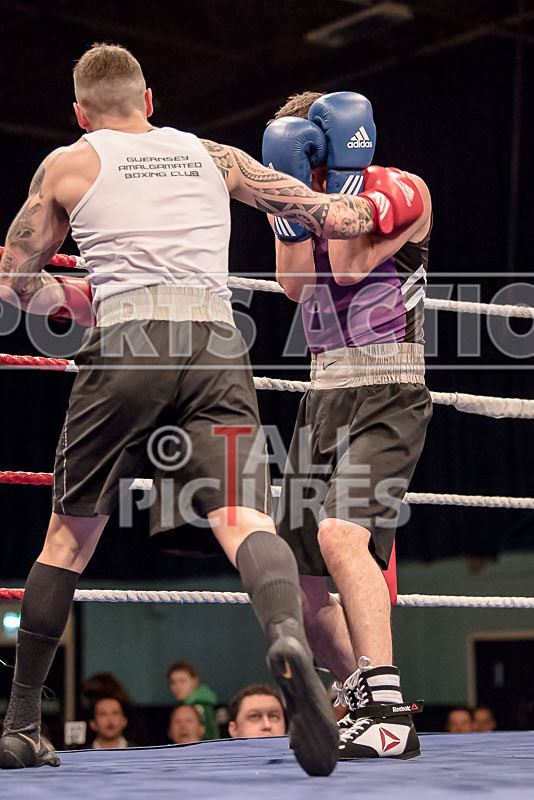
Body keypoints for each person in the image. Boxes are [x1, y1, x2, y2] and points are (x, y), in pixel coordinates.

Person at [0, 43, 421, 776]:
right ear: (151, 100)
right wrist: (358, 172)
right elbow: (333, 212)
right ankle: (286, 635)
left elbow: (15, 280)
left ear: (80, 113)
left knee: (66, 541)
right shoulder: (212, 156)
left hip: (128, 345)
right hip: (216, 350)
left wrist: (76, 303)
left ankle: (21, 723)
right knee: (244, 519)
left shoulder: (67, 164)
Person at [263, 91, 433, 760]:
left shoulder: (398, 188)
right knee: (299, 573)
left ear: (331, 146)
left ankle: (390, 715)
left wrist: (333, 191)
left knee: (340, 533)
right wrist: (288, 209)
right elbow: (296, 286)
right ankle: (358, 696)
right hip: (324, 391)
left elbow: (355, 264)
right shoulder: (305, 203)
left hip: (388, 387)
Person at [167, 661, 219, 740]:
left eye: (182, 681)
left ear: (195, 681)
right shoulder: (202, 703)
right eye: (173, 682)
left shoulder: (199, 706)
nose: (178, 687)